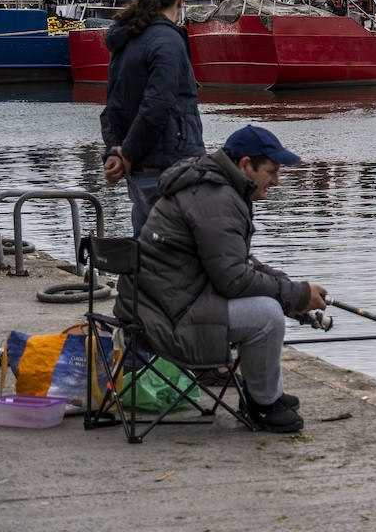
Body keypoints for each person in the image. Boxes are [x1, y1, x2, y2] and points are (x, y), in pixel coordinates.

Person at [116, 125, 327, 433]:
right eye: (271, 171)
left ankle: (266, 395)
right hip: (170, 316)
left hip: (161, 304)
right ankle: (262, 406)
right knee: (267, 317)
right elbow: (233, 280)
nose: (276, 181)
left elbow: (233, 261)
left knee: (270, 301)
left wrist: (293, 289)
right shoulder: (217, 198)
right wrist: (294, 296)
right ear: (245, 165)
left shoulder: (212, 187)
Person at [100, 0, 204, 236]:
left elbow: (113, 108)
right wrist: (128, 155)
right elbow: (157, 106)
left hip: (140, 173)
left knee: (146, 254)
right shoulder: (167, 41)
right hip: (172, 168)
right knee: (179, 257)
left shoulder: (126, 41)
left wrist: (116, 151)